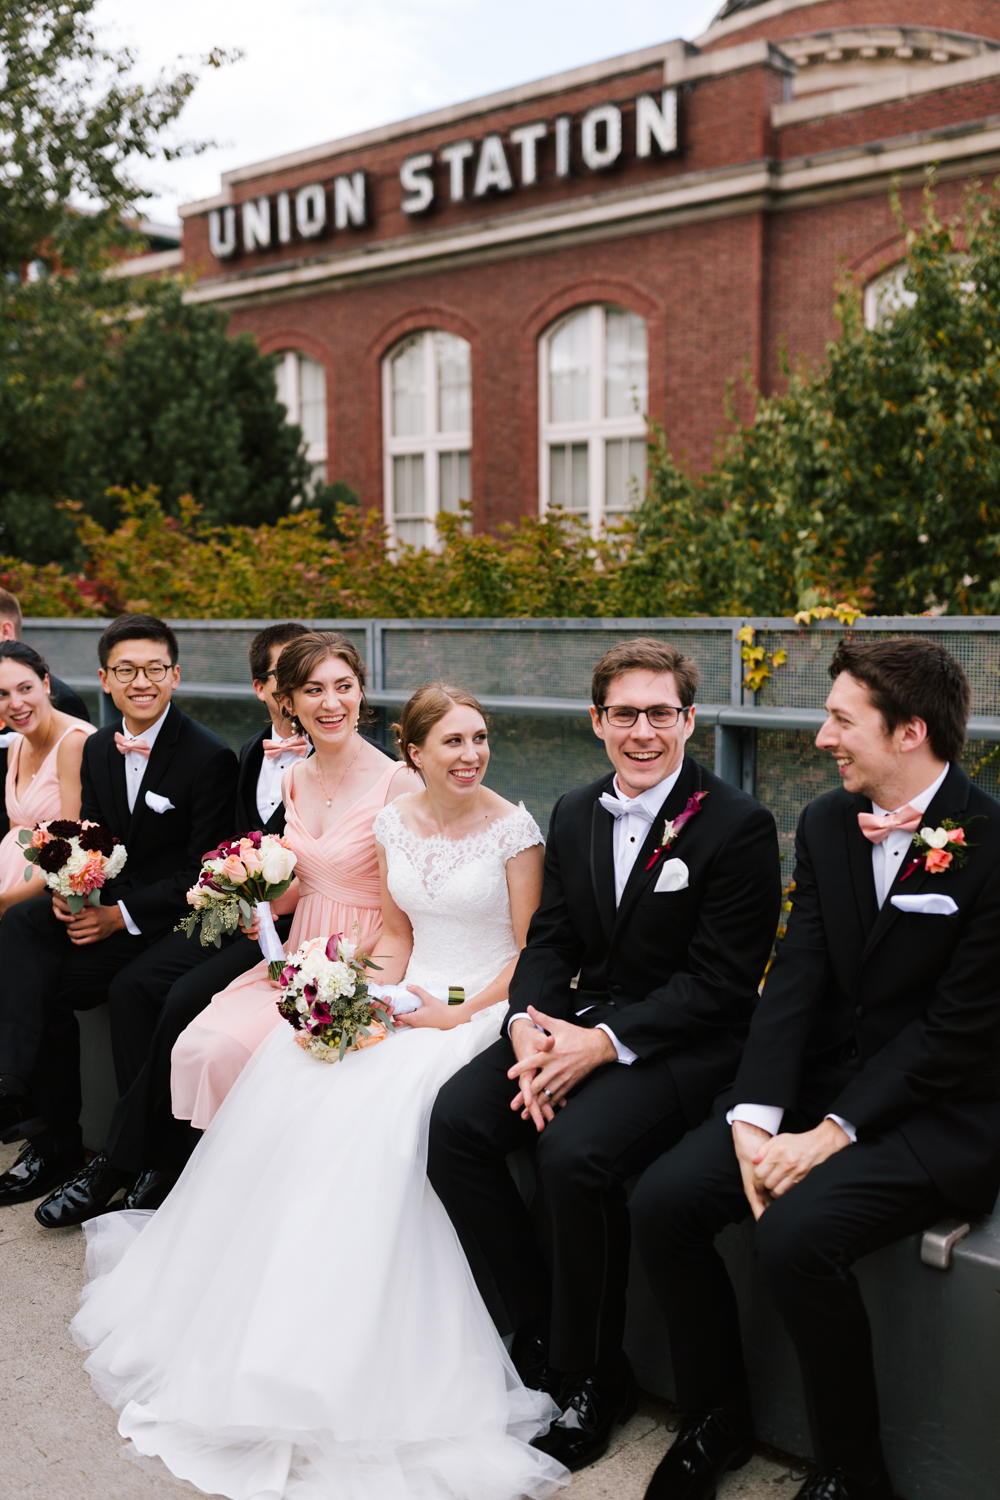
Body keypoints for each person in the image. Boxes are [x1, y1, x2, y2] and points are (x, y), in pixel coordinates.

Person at [70, 682, 567, 1500]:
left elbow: (525, 954)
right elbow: (399, 936)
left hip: (478, 1010)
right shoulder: (394, 823)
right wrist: (362, 994)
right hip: (409, 996)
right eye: (452, 742)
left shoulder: (515, 829)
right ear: (415, 753)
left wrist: (441, 1015)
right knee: (301, 1073)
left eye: (479, 739)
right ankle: (277, 1328)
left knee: (386, 1114)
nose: (472, 754)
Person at [629, 636, 1000, 1500]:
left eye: (841, 719)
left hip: (941, 1111)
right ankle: (716, 1416)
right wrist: (757, 1112)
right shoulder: (829, 821)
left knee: (794, 1236)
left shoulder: (993, 843)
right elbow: (796, 974)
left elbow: (955, 1033)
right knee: (665, 1200)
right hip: (822, 1086)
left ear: (909, 732)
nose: (823, 736)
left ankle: (850, 1471)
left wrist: (828, 1136)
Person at [427, 637, 782, 1473]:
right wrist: (526, 1022)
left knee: (576, 1154)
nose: (643, 730)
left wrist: (603, 1044)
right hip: (576, 1016)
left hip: (686, 1041)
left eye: (661, 713)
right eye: (624, 713)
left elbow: (723, 984)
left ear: (690, 720)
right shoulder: (577, 809)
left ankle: (595, 1375)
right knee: (457, 1124)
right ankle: (544, 1329)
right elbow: (549, 940)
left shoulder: (738, 824)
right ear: (596, 721)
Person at [34, 622, 313, 1227]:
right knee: (124, 984)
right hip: (233, 914)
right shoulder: (250, 756)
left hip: (296, 931)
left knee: (173, 992)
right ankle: (137, 1155)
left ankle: (126, 1157)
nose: (303, 693)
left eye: (317, 682)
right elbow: (229, 848)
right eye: (287, 679)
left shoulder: (230, 753)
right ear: (263, 689)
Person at [0, 614, 238, 1206]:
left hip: (170, 919)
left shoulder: (209, 756)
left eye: (154, 669)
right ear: (104, 679)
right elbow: (97, 841)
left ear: (174, 675)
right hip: (111, 907)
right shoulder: (100, 747)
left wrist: (117, 915)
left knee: (130, 989)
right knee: (26, 928)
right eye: (126, 670)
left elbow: (200, 872)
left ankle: (138, 1157)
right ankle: (41, 1124)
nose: (141, 681)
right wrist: (70, 889)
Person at [168, 630, 419, 1127]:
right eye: (313, 689)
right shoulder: (294, 777)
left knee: (274, 1064)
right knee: (204, 1045)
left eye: (344, 686)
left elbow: (405, 923)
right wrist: (255, 897)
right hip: (297, 956)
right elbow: (310, 877)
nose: (332, 703)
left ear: (361, 692)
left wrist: (353, 995)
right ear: (287, 702)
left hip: (365, 960)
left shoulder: (400, 783)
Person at [0, 641, 95, 915]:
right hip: (10, 886)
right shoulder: (17, 745)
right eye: (2, 694)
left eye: (25, 688)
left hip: (42, 901)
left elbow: (73, 852)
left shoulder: (73, 743)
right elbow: (16, 833)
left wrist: (5, 903)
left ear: (46, 684)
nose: (16, 703)